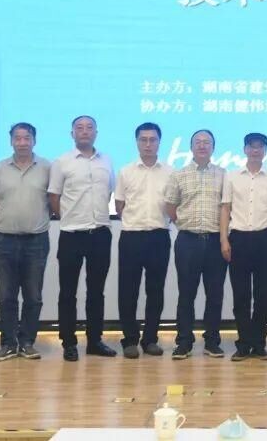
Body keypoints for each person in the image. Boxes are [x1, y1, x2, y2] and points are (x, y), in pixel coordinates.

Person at [48, 115, 116, 361]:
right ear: (72, 134)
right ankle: (68, 342)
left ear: (96, 133)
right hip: (71, 235)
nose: (85, 131)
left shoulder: (106, 160)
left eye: (89, 128)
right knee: (68, 292)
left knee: (96, 291)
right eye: (79, 128)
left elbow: (109, 190)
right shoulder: (62, 162)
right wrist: (69, 217)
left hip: (100, 233)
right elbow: (54, 196)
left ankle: (95, 340)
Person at [0, 122, 51, 361]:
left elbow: (55, 200)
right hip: (5, 240)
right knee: (7, 297)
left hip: (37, 240)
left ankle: (27, 342)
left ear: (34, 140)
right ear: (11, 141)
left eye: (27, 138)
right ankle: (9, 344)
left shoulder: (47, 168)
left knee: (33, 296)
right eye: (17, 138)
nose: (22, 142)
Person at [221, 132, 267, 361]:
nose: (256, 150)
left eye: (260, 146)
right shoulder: (232, 176)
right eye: (252, 146)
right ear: (245, 149)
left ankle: (259, 344)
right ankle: (243, 345)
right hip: (238, 239)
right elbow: (225, 208)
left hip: (264, 239)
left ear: (265, 150)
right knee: (241, 296)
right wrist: (224, 239)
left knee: (262, 295)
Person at [165, 129, 227, 359]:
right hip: (188, 241)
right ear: (191, 147)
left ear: (213, 147)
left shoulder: (224, 175)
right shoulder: (179, 175)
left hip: (215, 241)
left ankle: (212, 341)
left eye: (206, 142)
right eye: (198, 142)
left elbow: (227, 208)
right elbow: (170, 206)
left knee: (215, 294)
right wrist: (184, 223)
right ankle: (184, 342)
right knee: (186, 293)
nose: (202, 146)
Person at [114, 122, 173, 359]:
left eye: (152, 139)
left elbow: (173, 204)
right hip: (132, 236)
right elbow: (119, 205)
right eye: (143, 139)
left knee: (155, 291)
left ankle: (150, 339)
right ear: (137, 142)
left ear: (159, 142)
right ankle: (129, 339)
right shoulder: (126, 171)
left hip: (159, 236)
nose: (148, 144)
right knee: (128, 291)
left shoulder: (170, 172)